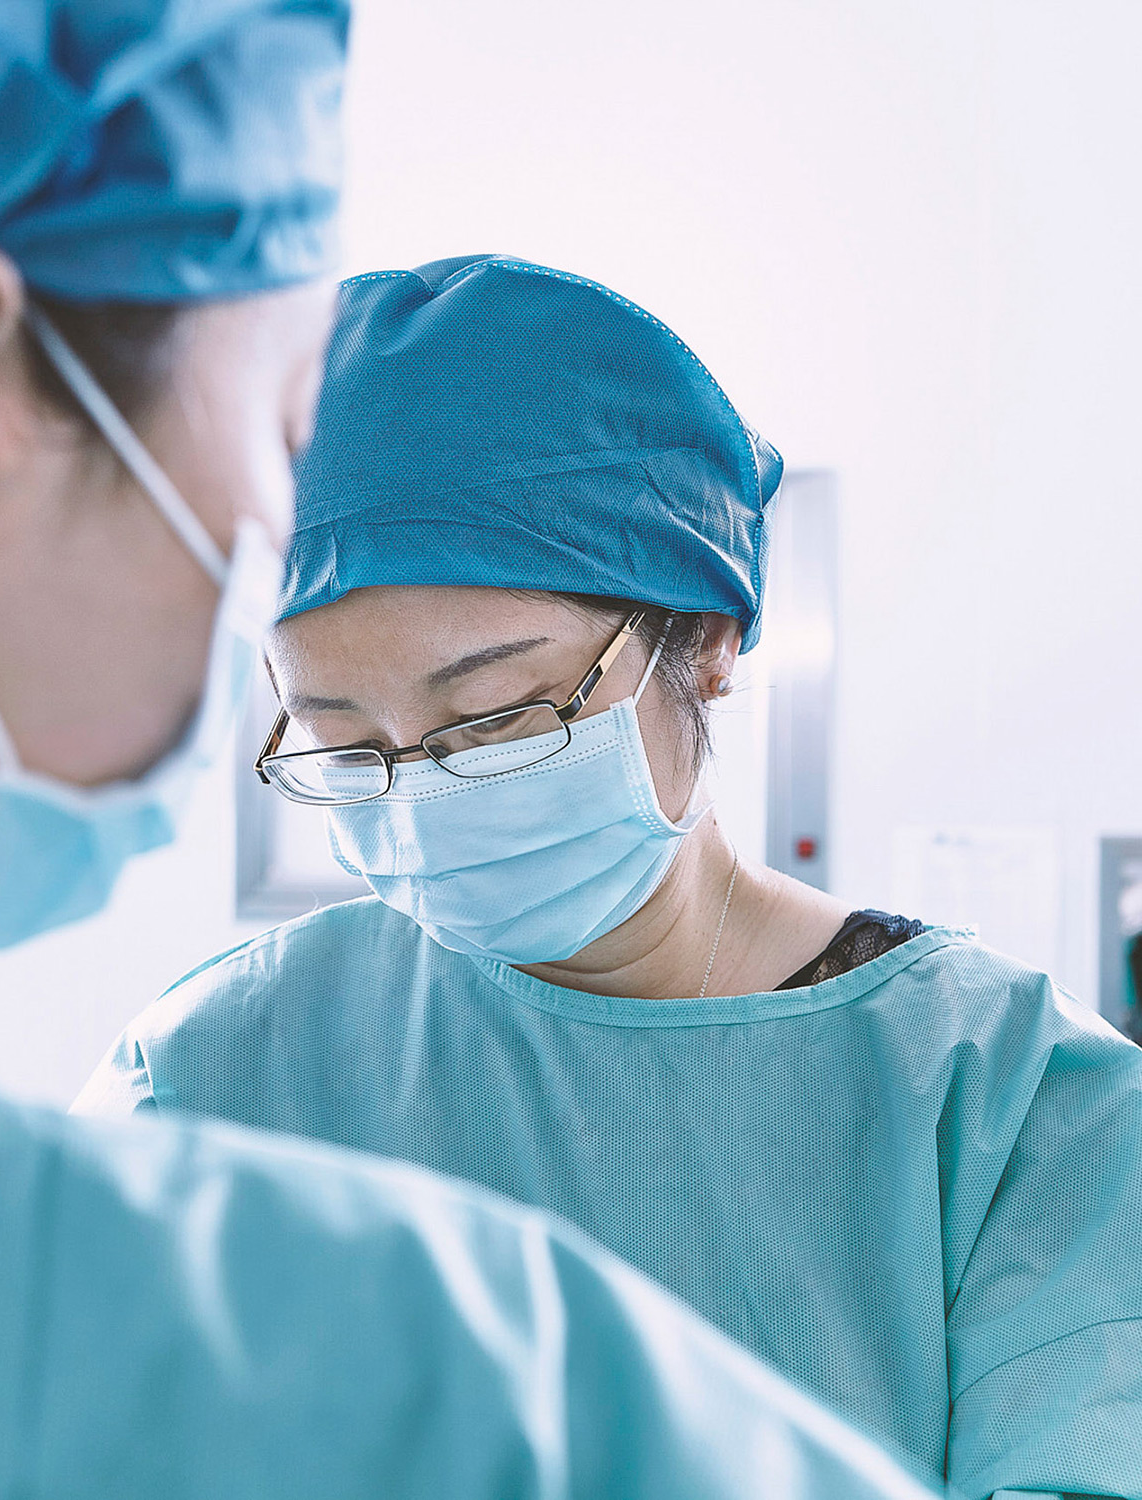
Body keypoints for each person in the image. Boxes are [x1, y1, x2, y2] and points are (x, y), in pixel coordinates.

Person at [0, 7, 949, 1498]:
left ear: (704, 641)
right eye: (269, 429)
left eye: (496, 712)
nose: (269, 553)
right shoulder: (458, 1385)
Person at [77, 255, 1142, 1500]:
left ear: (704, 639)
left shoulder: (1006, 1101)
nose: (421, 793)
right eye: (342, 741)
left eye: (494, 719)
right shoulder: (216, 1072)